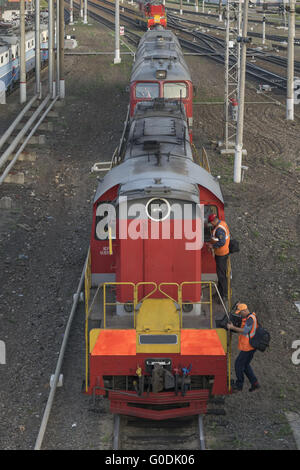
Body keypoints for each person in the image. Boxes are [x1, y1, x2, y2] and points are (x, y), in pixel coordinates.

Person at [227, 303, 260, 392]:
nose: (240, 315)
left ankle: (239, 385)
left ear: (245, 311)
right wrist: (239, 305)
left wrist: (232, 327)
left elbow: (245, 331)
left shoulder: (250, 319)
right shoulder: (251, 316)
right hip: (251, 346)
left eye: (240, 313)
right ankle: (255, 383)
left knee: (238, 364)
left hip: (248, 347)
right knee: (245, 365)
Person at [207, 213, 230, 301]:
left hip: (221, 255)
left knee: (221, 275)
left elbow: (222, 242)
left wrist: (212, 246)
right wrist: (212, 243)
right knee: (221, 274)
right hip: (223, 253)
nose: (211, 224)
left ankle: (224, 295)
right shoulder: (222, 223)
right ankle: (220, 293)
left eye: (211, 222)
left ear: (213, 221)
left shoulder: (219, 229)